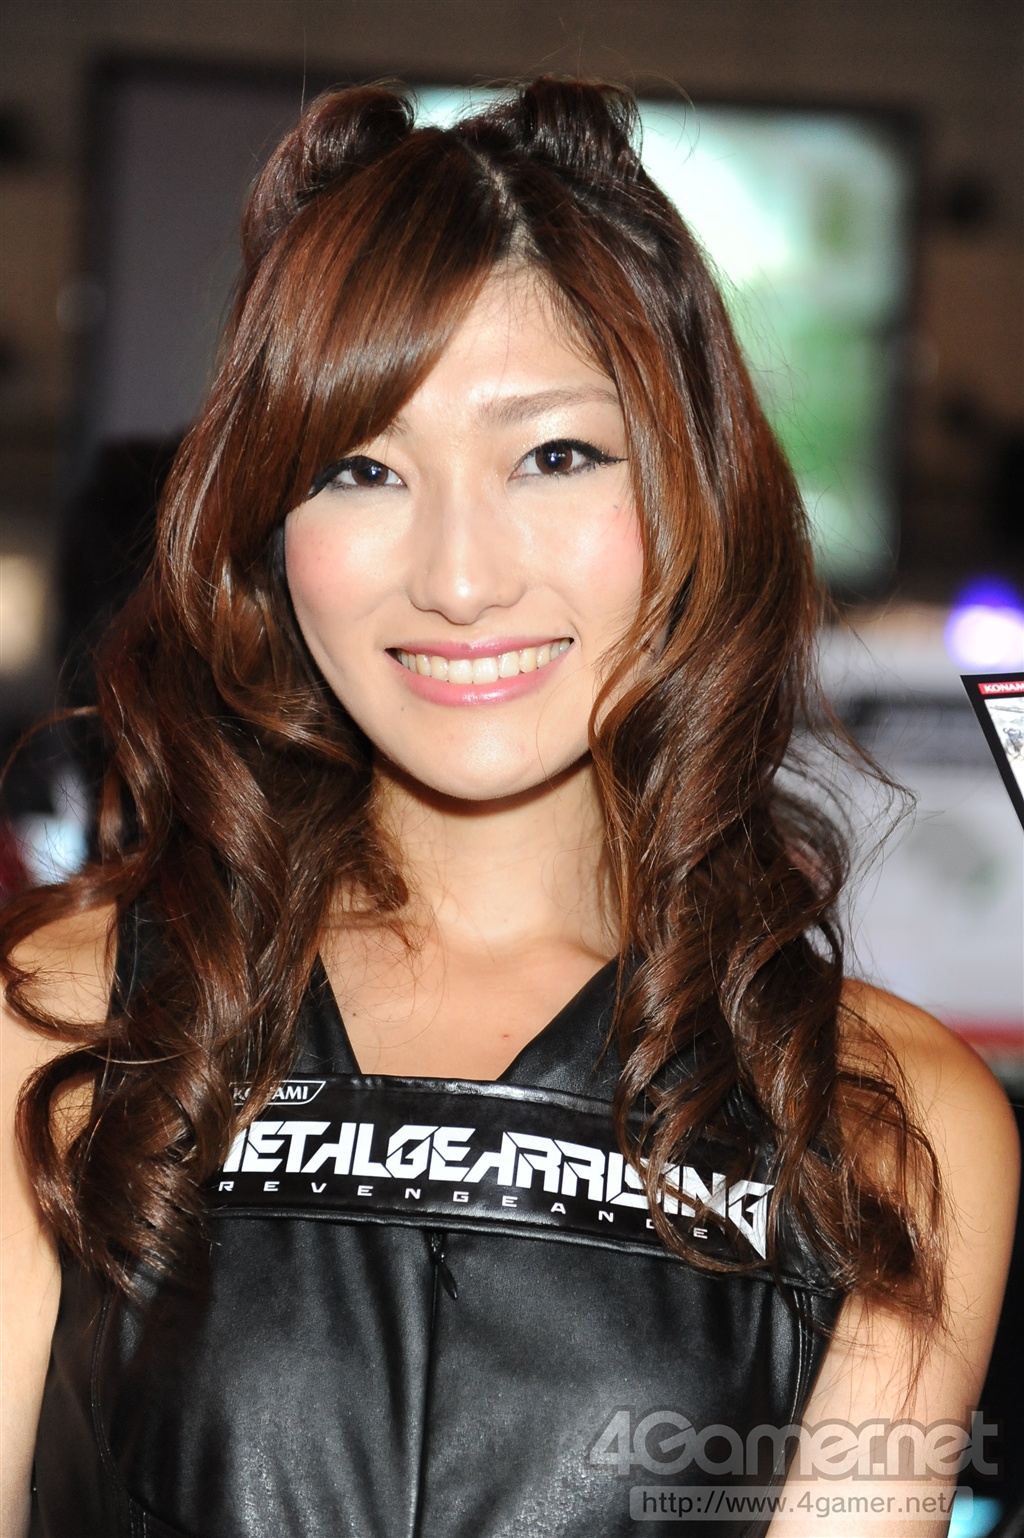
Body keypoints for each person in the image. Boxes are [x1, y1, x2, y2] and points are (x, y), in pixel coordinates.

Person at [1, 79, 1017, 1538]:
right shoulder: (60, 1026)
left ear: (692, 495)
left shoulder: (883, 1125)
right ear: (271, 535)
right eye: (360, 468)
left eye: (555, 455)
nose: (460, 579)